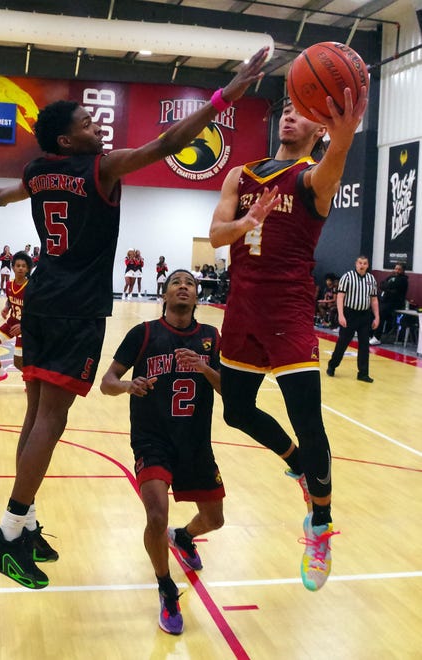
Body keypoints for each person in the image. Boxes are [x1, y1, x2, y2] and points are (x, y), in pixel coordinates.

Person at [0, 46, 270, 590]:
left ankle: (23, 525)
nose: (99, 126)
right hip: (76, 307)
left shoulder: (41, 170)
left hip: (41, 298)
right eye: (89, 122)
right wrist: (223, 97)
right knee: (53, 419)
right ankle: (4, 531)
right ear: (69, 140)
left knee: (35, 415)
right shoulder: (101, 168)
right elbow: (168, 144)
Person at [209, 85, 368, 592]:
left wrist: (342, 137)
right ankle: (297, 464)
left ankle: (319, 526)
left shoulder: (313, 179)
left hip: (290, 311)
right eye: (286, 111)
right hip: (241, 310)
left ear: (318, 128)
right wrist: (247, 221)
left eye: (303, 114)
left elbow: (335, 161)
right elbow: (215, 236)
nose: (289, 117)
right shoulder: (241, 174)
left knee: (310, 421)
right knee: (235, 410)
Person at [100, 269, 224, 635]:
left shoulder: (211, 338)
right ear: (165, 296)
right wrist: (127, 386)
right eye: (176, 283)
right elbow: (106, 383)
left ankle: (183, 536)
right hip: (152, 439)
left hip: (196, 441)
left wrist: (204, 368)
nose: (183, 287)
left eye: (190, 284)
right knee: (156, 516)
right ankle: (166, 587)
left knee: (215, 520)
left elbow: (230, 391)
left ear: (197, 297)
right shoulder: (144, 334)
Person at [327, 255, 379, 382]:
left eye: (365, 263)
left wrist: (377, 317)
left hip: (364, 315)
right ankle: (332, 365)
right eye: (360, 263)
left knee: (364, 345)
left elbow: (374, 299)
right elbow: (340, 297)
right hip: (350, 314)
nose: (362, 265)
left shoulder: (371, 279)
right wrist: (341, 315)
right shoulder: (347, 277)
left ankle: (363, 373)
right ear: (356, 264)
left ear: (368, 265)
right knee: (342, 343)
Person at [0, 251, 33, 388]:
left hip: (26, 326)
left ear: (28, 269)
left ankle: (33, 380)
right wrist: (6, 307)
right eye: (18, 265)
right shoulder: (9, 285)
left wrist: (23, 326)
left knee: (18, 362)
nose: (21, 268)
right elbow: (10, 300)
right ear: (13, 267)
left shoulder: (30, 287)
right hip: (12, 322)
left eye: (24, 266)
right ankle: (0, 372)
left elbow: (37, 311)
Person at [369, 262, 409, 345]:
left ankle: (377, 337)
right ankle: (370, 334)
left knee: (380, 313)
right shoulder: (391, 276)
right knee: (373, 310)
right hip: (385, 301)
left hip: (395, 303)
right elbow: (381, 284)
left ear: (403, 271)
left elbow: (393, 291)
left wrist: (386, 287)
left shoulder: (403, 280)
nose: (397, 271)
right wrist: (387, 287)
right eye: (396, 268)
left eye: (399, 269)